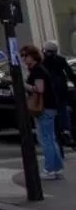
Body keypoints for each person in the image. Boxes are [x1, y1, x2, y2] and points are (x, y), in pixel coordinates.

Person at [22, 44, 64, 180]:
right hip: (49, 106)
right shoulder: (38, 69)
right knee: (50, 138)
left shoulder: (38, 70)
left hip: (44, 107)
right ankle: (56, 167)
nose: (23, 58)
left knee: (46, 139)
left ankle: (50, 169)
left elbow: (39, 89)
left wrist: (24, 85)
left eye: (25, 55)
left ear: (33, 56)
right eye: (22, 56)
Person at [41, 42, 75, 147]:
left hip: (49, 90)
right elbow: (69, 73)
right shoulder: (61, 60)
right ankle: (66, 130)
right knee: (62, 109)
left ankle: (56, 131)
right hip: (61, 89)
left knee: (51, 111)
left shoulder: (43, 61)